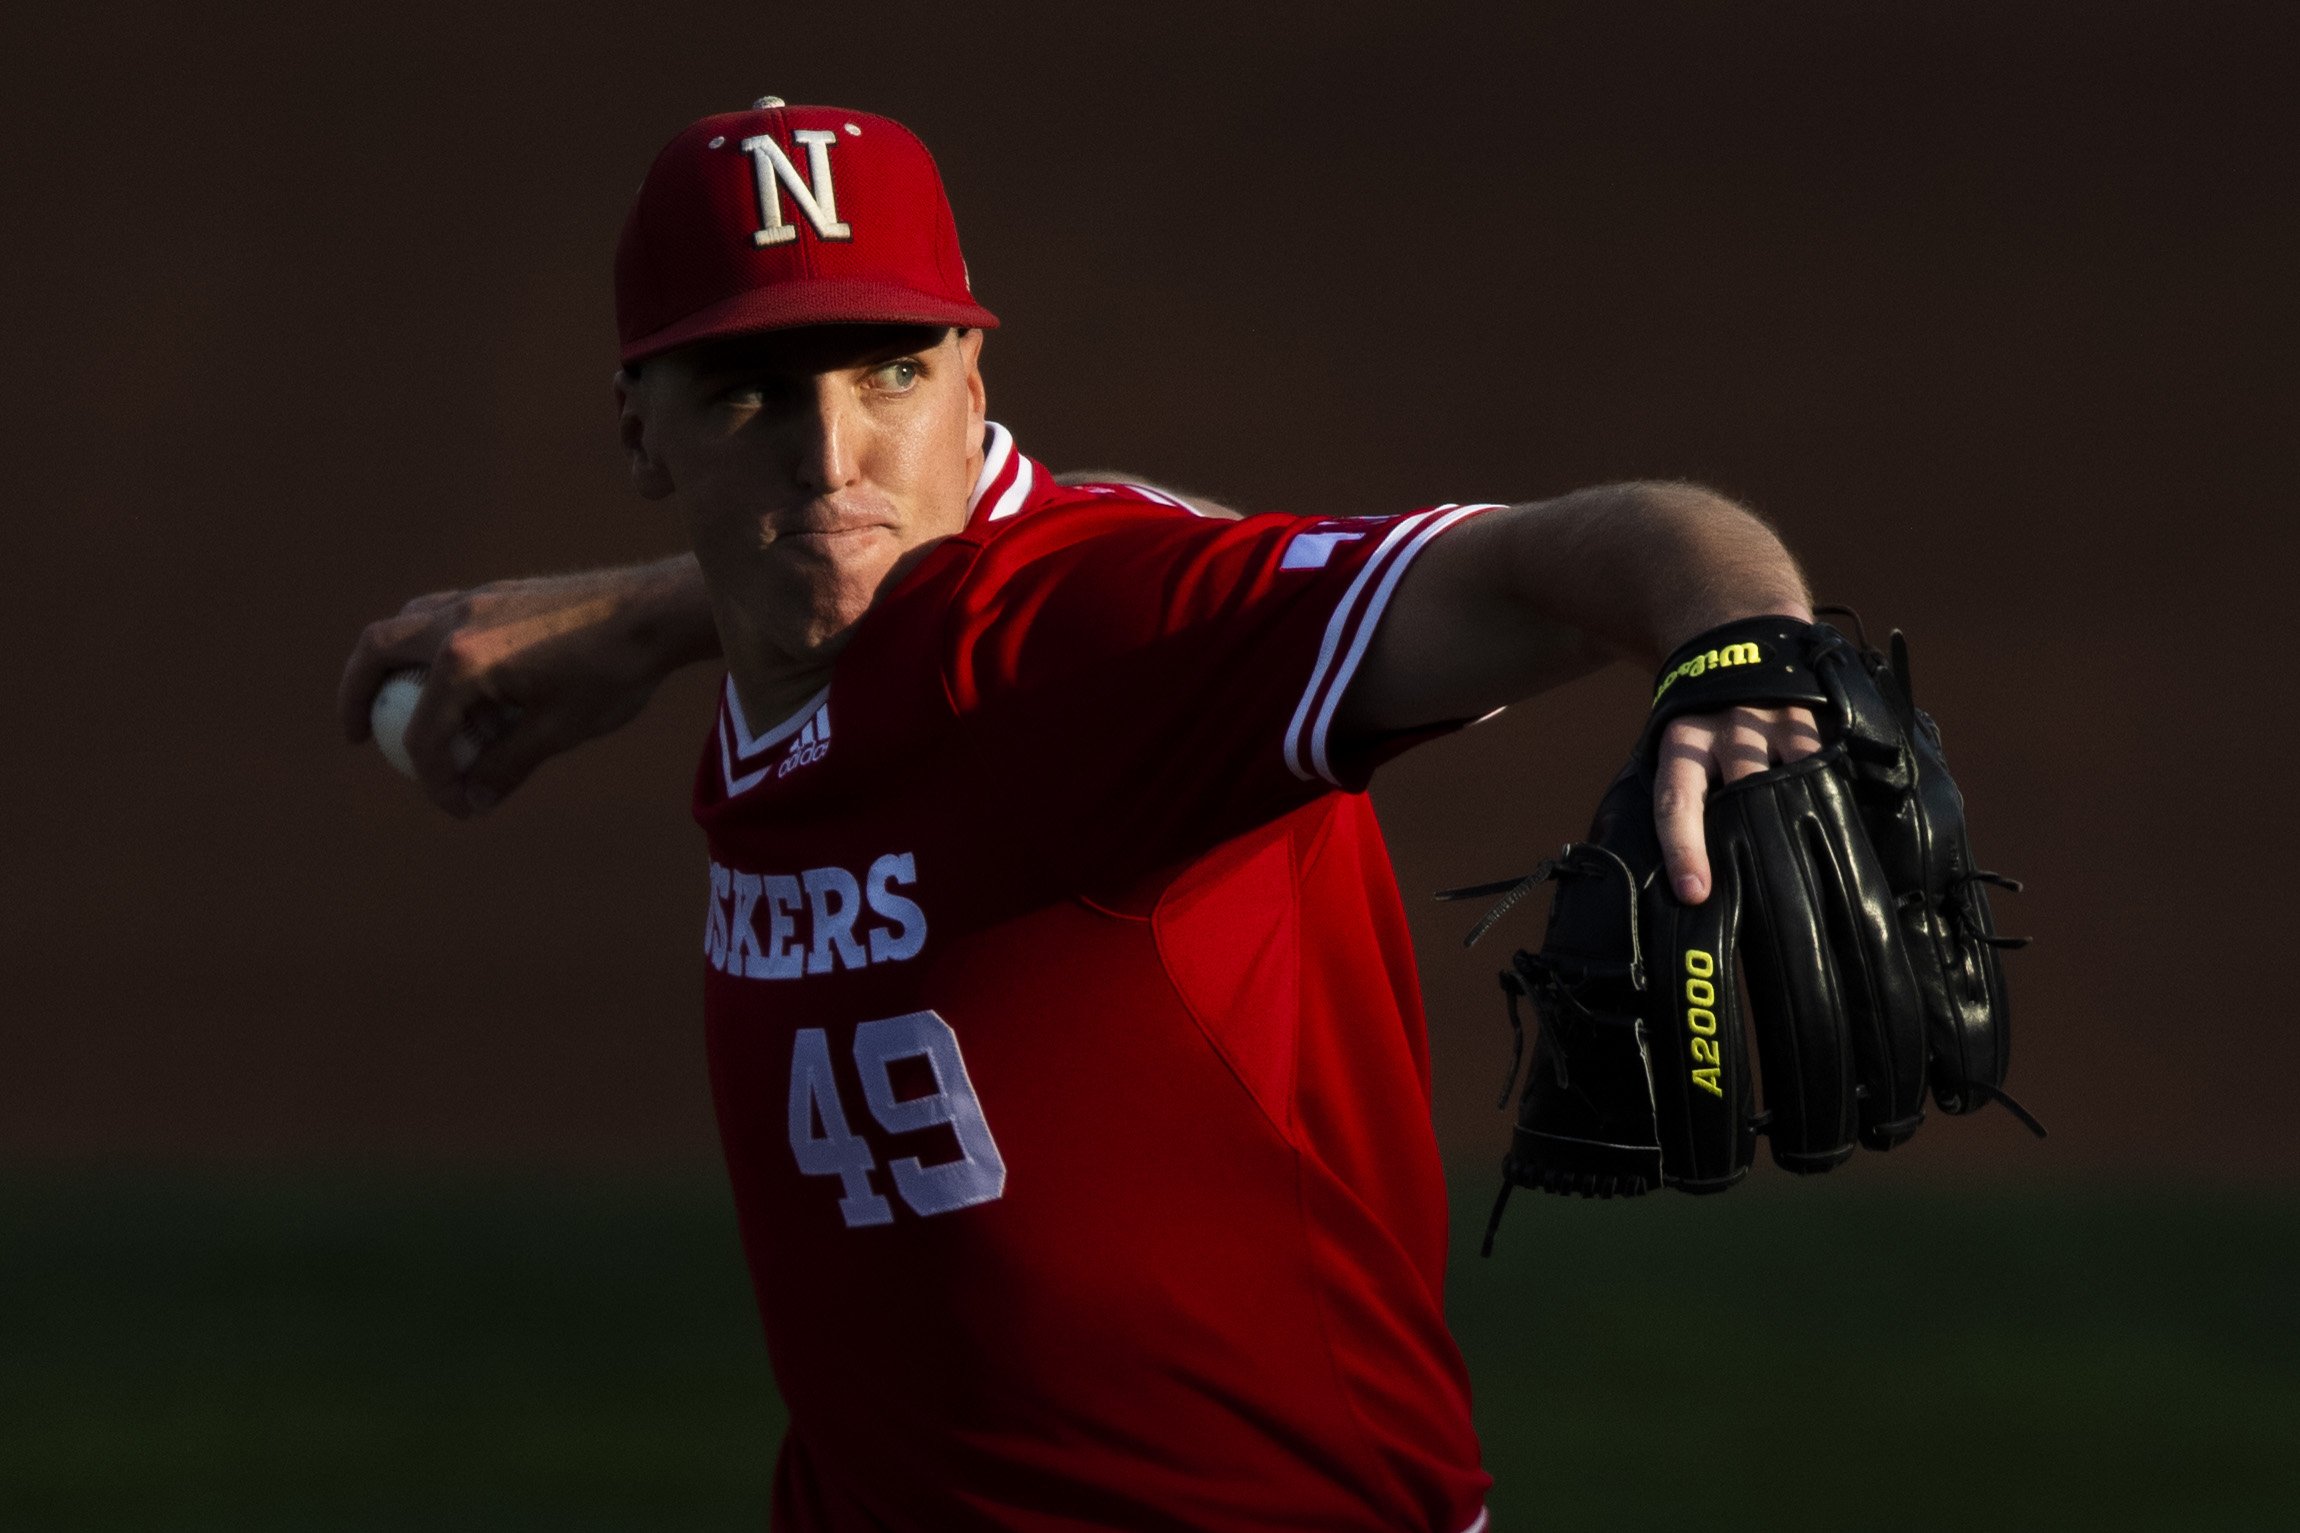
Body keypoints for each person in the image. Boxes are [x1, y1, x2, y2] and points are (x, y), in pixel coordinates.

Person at [340, 99, 1819, 1532]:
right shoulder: (809, 644)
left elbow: (1557, 558)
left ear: (974, 383)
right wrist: (650, 620)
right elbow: (830, 573)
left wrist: (1746, 655)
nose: (832, 452)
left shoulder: (1099, 637)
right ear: (640, 432)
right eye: (750, 390)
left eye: (890, 374)